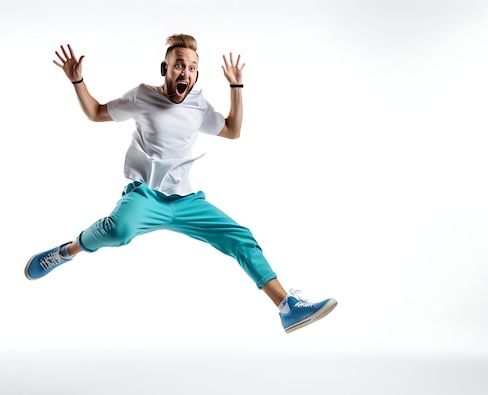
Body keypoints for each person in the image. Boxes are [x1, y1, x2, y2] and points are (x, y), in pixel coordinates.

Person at [25, 34, 337, 333]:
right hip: (145, 196)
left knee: (241, 239)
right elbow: (95, 113)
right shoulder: (142, 96)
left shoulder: (199, 106)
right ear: (165, 69)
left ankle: (287, 307)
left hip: (187, 201)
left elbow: (232, 131)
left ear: (196, 76)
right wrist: (77, 80)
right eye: (178, 65)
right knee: (118, 231)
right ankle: (67, 251)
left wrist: (236, 86)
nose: (184, 71)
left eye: (191, 68)